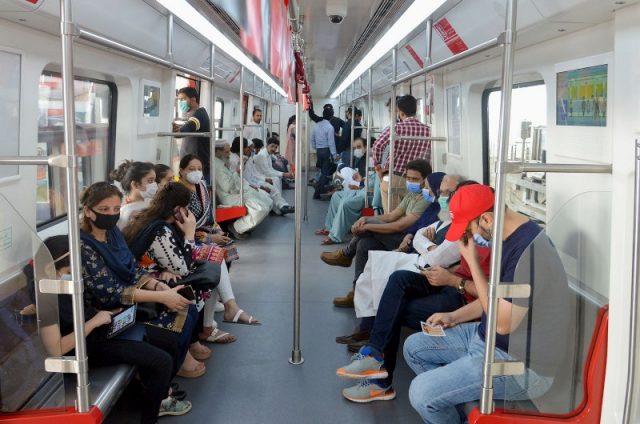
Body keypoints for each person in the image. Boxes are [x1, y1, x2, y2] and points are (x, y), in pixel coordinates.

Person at [402, 184, 570, 423]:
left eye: (468, 230)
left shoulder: (529, 253)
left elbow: (502, 323)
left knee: (422, 393)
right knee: (414, 347)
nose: (468, 238)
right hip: (487, 338)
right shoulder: (508, 238)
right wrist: (454, 316)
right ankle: (457, 404)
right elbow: (495, 299)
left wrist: (471, 262)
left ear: (487, 220)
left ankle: (448, 397)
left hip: (520, 364)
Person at [35, 235, 191, 422]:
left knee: (169, 341)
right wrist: (93, 322)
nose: (74, 273)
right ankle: (150, 417)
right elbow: (57, 349)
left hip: (98, 329)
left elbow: (79, 313)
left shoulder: (61, 286)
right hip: (87, 347)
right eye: (69, 269)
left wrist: (104, 314)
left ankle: (159, 394)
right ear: (49, 269)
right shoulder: (44, 299)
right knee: (162, 361)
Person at [124, 183, 259, 336]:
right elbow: (182, 268)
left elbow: (175, 259)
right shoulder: (160, 230)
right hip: (148, 280)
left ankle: (226, 310)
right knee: (211, 267)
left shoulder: (154, 218)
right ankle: (216, 319)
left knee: (215, 254)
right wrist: (189, 233)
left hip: (157, 270)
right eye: (186, 207)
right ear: (178, 209)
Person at [321, 159, 432, 307]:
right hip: (397, 236)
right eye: (408, 178)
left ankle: (346, 254)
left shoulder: (425, 200)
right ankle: (357, 292)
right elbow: (391, 216)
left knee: (368, 226)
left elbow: (399, 226)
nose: (410, 181)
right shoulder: (411, 195)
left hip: (408, 242)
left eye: (415, 179)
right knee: (364, 244)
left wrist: (367, 225)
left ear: (425, 180)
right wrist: (366, 217)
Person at [372, 95, 432, 213]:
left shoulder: (395, 128)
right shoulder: (427, 130)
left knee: (391, 216)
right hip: (415, 181)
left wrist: (378, 167)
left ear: (399, 111)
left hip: (393, 177)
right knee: (408, 216)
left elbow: (377, 146)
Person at [314, 137, 370, 245]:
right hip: (361, 188)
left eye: (359, 147)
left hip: (367, 192)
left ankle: (335, 236)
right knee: (336, 196)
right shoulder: (361, 160)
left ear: (366, 147)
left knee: (345, 203)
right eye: (355, 148)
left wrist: (361, 183)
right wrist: (360, 181)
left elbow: (374, 183)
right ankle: (329, 228)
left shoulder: (372, 161)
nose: (356, 150)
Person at [211, 142, 272, 238]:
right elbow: (227, 187)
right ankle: (236, 227)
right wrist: (236, 172)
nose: (229, 154)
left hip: (236, 192)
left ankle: (247, 226)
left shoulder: (222, 163)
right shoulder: (217, 166)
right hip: (228, 197)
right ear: (218, 152)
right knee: (261, 208)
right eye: (227, 152)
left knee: (268, 201)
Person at [231, 137, 293, 216]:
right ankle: (279, 209)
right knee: (269, 190)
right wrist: (258, 186)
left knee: (273, 188)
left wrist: (263, 180)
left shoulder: (247, 158)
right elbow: (241, 179)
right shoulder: (235, 160)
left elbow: (254, 173)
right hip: (248, 185)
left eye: (252, 148)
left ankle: (283, 206)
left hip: (254, 181)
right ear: (241, 147)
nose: (252, 150)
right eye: (249, 148)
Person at [174, 87, 212, 182]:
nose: (181, 102)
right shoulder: (193, 114)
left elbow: (185, 130)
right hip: (190, 165)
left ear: (193, 99)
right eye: (179, 100)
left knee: (198, 194)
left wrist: (174, 130)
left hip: (196, 167)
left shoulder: (199, 114)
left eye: (183, 99)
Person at [110, 161, 157, 229]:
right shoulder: (127, 212)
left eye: (154, 180)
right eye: (150, 181)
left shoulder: (150, 205)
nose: (154, 184)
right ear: (135, 184)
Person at [311, 107, 338, 199]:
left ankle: (318, 192)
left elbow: (312, 138)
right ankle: (318, 193)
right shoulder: (330, 127)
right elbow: (331, 142)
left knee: (322, 171)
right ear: (331, 116)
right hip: (326, 151)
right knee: (325, 173)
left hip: (319, 151)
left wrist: (316, 147)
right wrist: (334, 155)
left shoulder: (317, 125)